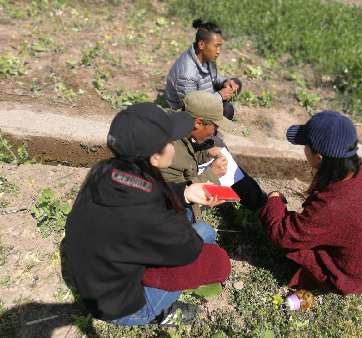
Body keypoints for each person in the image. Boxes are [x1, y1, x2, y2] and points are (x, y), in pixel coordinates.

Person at [61, 103, 231, 327]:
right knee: (208, 239)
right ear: (155, 158)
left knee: (199, 230)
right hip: (119, 307)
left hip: (90, 273)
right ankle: (156, 315)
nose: (175, 146)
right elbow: (200, 257)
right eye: (171, 142)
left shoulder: (105, 170)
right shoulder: (151, 217)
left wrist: (186, 193)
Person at [259, 111, 362, 295]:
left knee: (293, 245)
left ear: (319, 157)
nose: (304, 149)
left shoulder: (334, 204)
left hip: (346, 276)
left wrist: (274, 200)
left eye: (306, 145)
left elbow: (284, 235)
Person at [161, 91, 267, 221]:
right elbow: (178, 195)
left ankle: (263, 204)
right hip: (173, 210)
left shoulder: (178, 126)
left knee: (218, 146)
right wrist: (212, 174)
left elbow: (187, 151)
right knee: (205, 231)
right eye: (215, 127)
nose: (214, 132)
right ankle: (265, 208)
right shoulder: (169, 152)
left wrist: (205, 154)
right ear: (198, 123)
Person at [165, 19, 242, 120]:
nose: (218, 51)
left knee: (236, 83)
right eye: (216, 46)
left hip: (206, 94)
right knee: (227, 110)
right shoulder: (187, 74)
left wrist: (225, 82)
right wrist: (219, 96)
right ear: (201, 45)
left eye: (220, 46)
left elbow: (213, 77)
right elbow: (191, 106)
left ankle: (224, 101)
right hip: (187, 109)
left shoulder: (206, 56)